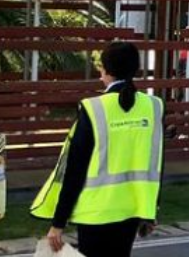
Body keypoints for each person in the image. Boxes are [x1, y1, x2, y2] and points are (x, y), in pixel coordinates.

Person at [31, 42, 163, 257]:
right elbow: (156, 163)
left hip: (95, 213)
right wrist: (151, 210)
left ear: (105, 70)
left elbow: (75, 169)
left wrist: (58, 223)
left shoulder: (93, 108)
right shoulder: (154, 106)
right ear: (135, 69)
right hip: (132, 210)